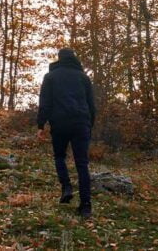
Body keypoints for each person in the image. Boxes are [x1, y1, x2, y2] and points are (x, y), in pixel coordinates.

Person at [36, 48, 96, 218]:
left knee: (59, 157)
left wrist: (41, 125)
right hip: (81, 123)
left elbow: (45, 102)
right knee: (82, 164)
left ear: (59, 59)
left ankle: (66, 187)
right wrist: (89, 125)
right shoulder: (83, 77)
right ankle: (85, 206)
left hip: (60, 123)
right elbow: (91, 105)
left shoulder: (51, 77)